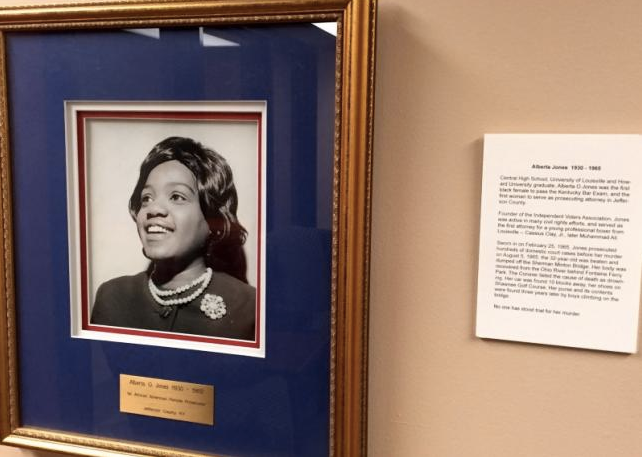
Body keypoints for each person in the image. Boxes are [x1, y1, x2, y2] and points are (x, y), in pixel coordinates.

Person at [91, 136, 256, 341]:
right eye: (147, 198)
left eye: (177, 197)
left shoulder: (249, 306)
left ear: (213, 220)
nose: (154, 209)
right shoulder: (112, 297)